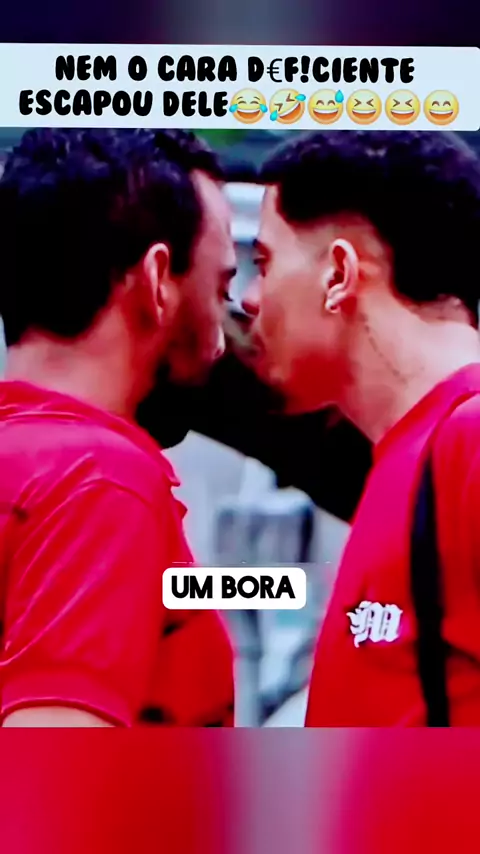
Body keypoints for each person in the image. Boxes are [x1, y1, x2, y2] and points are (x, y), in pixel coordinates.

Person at [0, 127, 236, 727]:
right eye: (221, 288)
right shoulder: (102, 482)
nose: (222, 341)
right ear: (158, 281)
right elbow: (53, 769)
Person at [243, 129, 480, 725]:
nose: (249, 298)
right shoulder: (412, 452)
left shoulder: (470, 439)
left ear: (339, 274)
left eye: (264, 264)